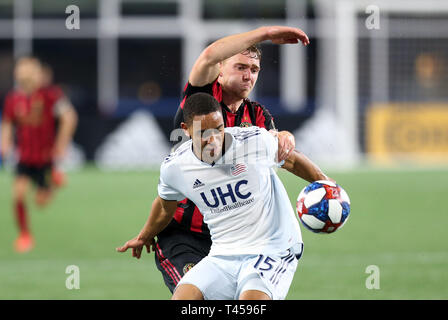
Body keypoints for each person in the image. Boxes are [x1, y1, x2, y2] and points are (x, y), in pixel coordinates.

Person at [117, 92, 331, 300]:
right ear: (186, 130)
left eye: (218, 129)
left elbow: (292, 160)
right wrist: (144, 236)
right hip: (223, 253)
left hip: (273, 248)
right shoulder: (176, 167)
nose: (214, 140)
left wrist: (327, 184)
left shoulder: (253, 141)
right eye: (204, 133)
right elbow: (166, 206)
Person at [154, 25, 310, 292]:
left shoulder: (258, 116)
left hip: (239, 238)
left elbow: (282, 155)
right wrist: (265, 34)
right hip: (188, 236)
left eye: (254, 70)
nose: (248, 75)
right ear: (220, 70)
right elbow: (209, 55)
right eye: (240, 67)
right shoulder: (202, 97)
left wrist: (285, 138)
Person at [0, 57, 78, 253]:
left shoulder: (50, 95)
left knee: (41, 202)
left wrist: (61, 143)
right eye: (21, 70)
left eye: (29, 70)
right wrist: (5, 143)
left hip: (45, 159)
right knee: (18, 195)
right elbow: (8, 123)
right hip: (24, 159)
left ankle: (51, 182)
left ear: (37, 73)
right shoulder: (13, 98)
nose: (24, 73)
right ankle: (25, 234)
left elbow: (69, 117)